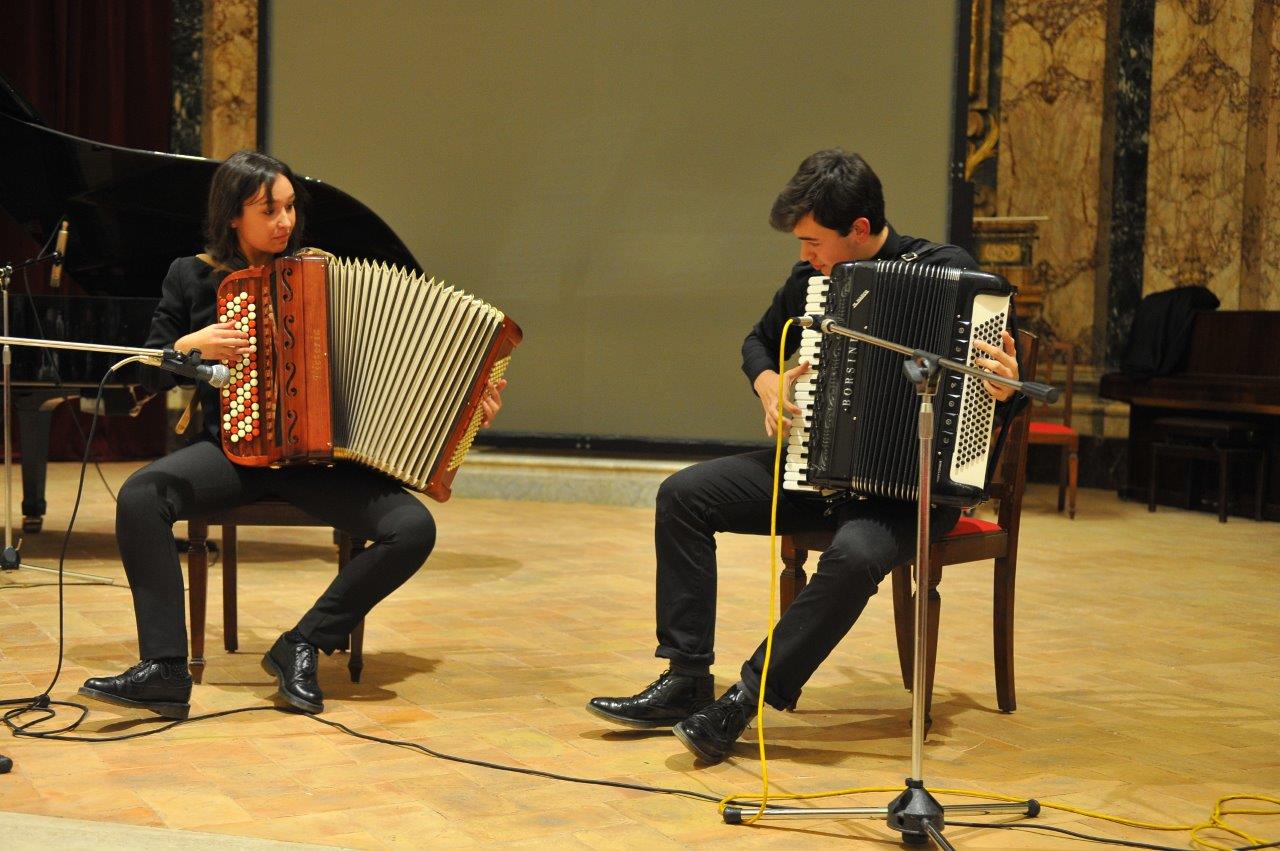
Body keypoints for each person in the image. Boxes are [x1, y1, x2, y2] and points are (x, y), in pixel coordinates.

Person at [586, 149, 1021, 764]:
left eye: (813, 241)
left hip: (912, 492)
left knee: (857, 554)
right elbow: (758, 341)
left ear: (859, 229)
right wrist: (768, 381)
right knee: (683, 495)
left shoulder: (952, 276)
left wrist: (1003, 389)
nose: (805, 255)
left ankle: (744, 699)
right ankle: (685, 679)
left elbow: (998, 384)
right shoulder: (810, 284)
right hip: (817, 469)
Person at [79, 150, 506, 720]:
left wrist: (467, 408)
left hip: (319, 464)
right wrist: (188, 348)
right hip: (231, 455)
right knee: (141, 496)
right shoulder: (191, 275)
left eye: (289, 207)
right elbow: (147, 373)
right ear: (233, 215)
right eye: (269, 210)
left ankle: (303, 643)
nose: (285, 221)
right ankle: (164, 669)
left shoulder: (324, 276)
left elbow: (405, 367)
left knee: (413, 529)